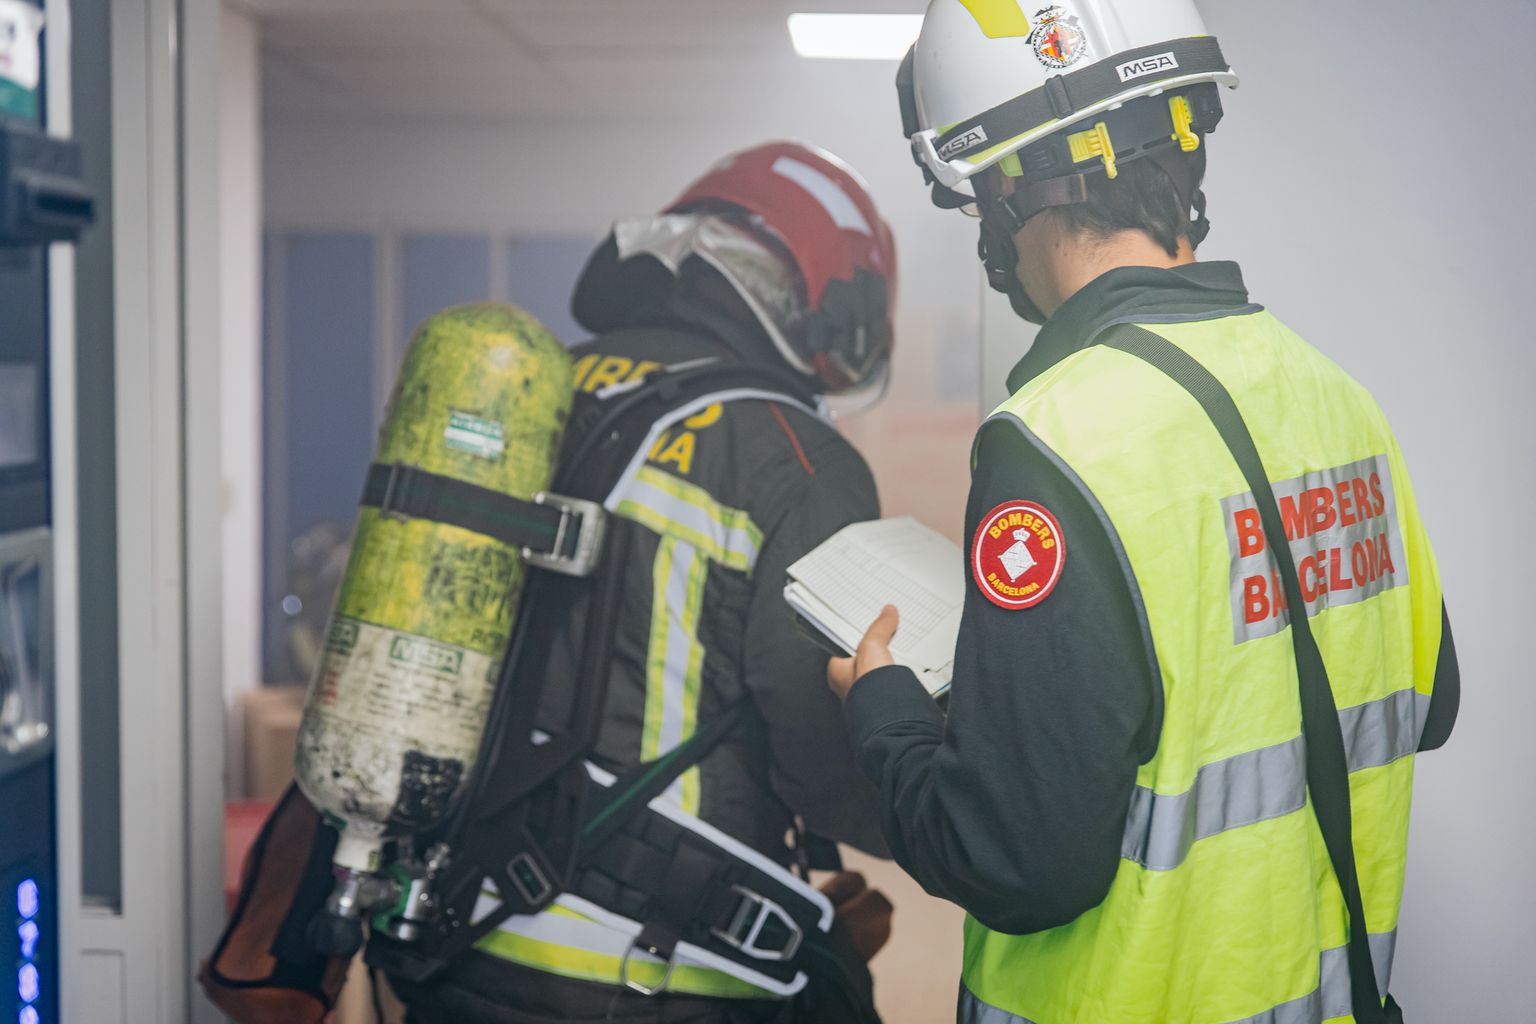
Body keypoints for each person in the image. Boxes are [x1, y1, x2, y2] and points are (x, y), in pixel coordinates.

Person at [829, 4, 1460, 1023]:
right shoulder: (1337, 396)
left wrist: (887, 707)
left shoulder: (1053, 438)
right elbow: (1423, 700)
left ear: (1002, 188)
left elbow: (1016, 861)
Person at [202, 142, 900, 1024]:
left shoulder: (531, 395)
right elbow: (830, 764)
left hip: (454, 950)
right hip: (658, 982)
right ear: (831, 305)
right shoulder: (792, 455)